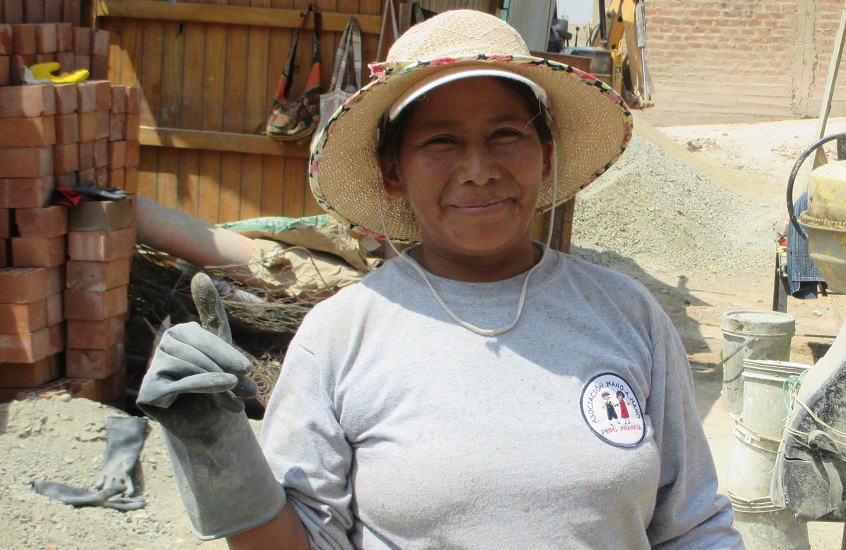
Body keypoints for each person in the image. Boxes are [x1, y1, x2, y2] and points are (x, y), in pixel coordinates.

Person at [137, 10, 744, 549]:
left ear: (547, 154)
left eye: (506, 134)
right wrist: (219, 462)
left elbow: (694, 526)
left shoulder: (627, 315)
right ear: (392, 170)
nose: (478, 170)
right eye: (441, 142)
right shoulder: (341, 335)